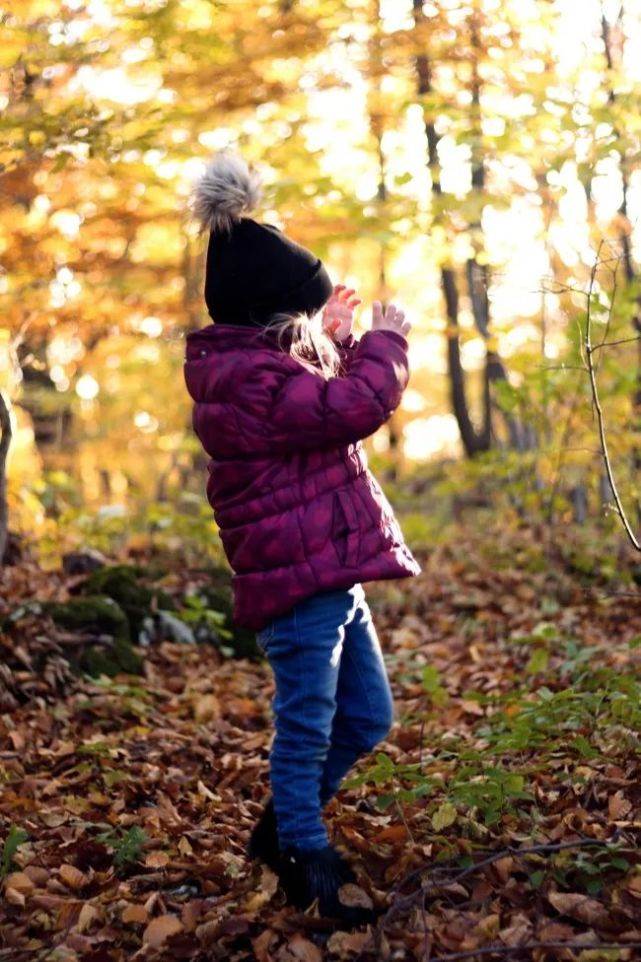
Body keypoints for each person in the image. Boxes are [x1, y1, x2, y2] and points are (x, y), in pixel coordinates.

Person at [183, 150, 421, 926]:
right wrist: (383, 344)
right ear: (278, 318)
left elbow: (321, 401)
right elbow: (343, 409)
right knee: (308, 723)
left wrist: (342, 340)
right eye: (309, 316)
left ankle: (284, 830)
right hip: (298, 586)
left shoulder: (265, 370)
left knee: (366, 718)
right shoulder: (250, 383)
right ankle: (303, 854)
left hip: (330, 573)